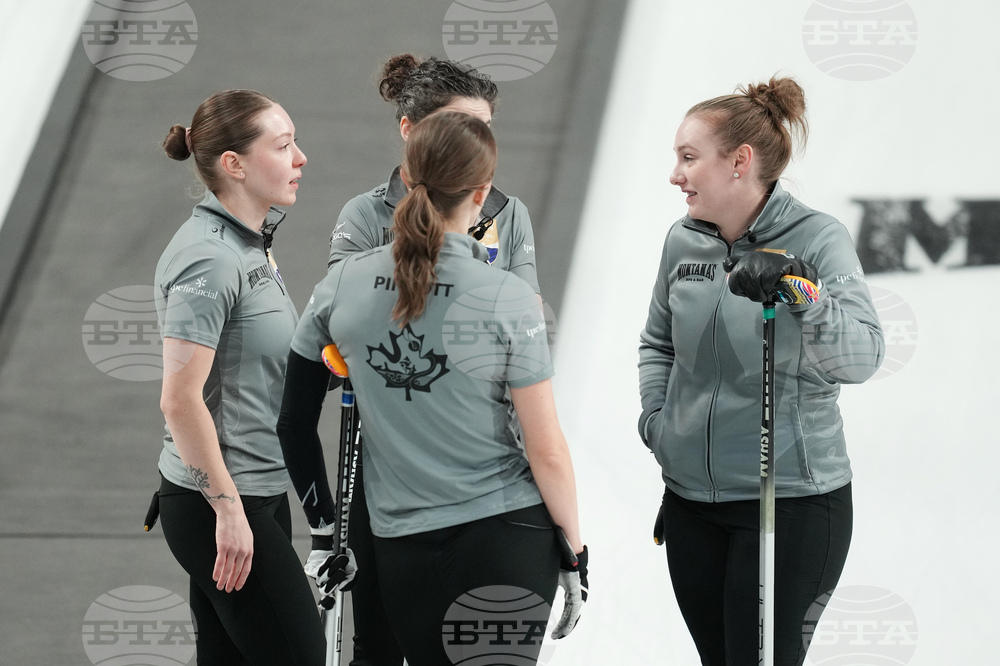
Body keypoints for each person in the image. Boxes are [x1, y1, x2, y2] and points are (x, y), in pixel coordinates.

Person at [277, 111, 587, 666]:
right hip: (506, 534)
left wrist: (326, 527)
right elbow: (546, 449)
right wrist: (575, 553)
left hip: (400, 546)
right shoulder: (509, 299)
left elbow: (293, 422)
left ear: (406, 175)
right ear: (482, 192)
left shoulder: (341, 285)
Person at [637, 77, 885, 666]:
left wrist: (803, 293)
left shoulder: (819, 238)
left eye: (689, 157)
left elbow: (864, 357)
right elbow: (656, 343)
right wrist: (659, 425)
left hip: (791, 500)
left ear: (739, 163)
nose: (676, 174)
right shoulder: (683, 241)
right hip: (692, 501)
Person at [327, 54, 543, 666]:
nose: (471, 143)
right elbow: (339, 341)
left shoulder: (507, 213)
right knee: (377, 645)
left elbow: (526, 326)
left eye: (483, 128)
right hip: (387, 466)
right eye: (456, 124)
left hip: (487, 463)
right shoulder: (364, 215)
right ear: (408, 128)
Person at [153, 89, 325, 665]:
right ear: (235, 165)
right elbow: (179, 400)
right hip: (221, 503)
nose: (301, 158)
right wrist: (227, 511)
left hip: (257, 492)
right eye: (283, 146)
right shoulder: (210, 259)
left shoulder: (249, 245)